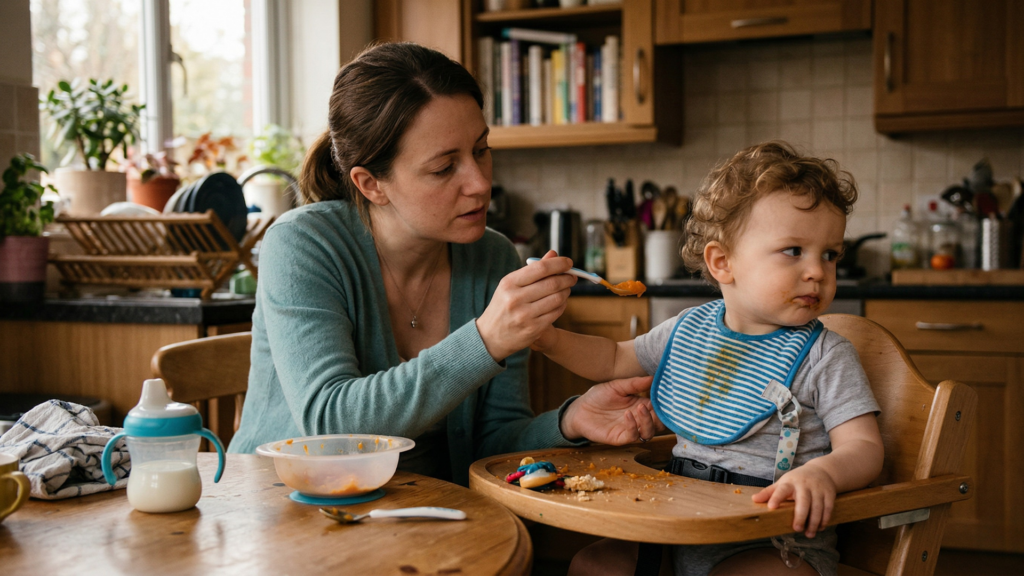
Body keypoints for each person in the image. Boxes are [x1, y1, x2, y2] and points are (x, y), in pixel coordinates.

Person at [227, 42, 659, 487]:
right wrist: (486, 339)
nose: (479, 183)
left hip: (425, 515)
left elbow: (493, 443)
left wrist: (571, 420)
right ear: (371, 183)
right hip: (283, 511)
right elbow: (333, 425)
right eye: (443, 168)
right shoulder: (303, 244)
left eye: (481, 149)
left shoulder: (492, 257)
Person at [531, 141, 884, 576]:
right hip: (676, 527)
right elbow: (610, 358)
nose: (817, 270)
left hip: (774, 543)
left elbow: (864, 448)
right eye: (794, 251)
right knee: (594, 565)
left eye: (829, 254)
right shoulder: (689, 330)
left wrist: (824, 475)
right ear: (722, 262)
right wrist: (547, 339)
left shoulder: (825, 356)